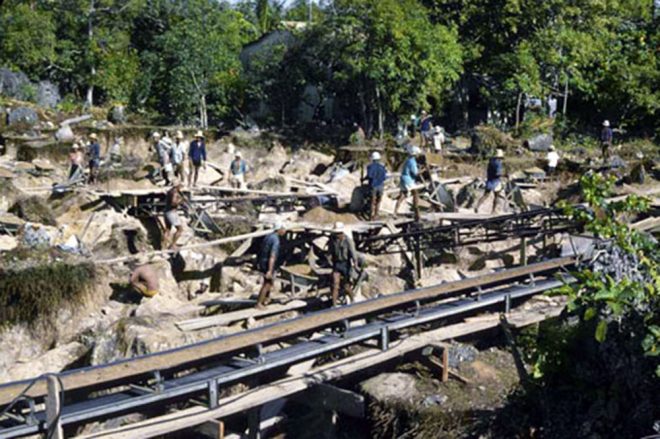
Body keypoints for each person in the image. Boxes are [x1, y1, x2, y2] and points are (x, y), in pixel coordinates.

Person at [256, 222, 286, 309]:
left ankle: (266, 299)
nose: (284, 231)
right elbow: (272, 256)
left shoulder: (268, 236)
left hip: (262, 261)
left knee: (270, 282)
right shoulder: (276, 240)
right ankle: (258, 304)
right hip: (267, 263)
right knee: (267, 284)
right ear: (279, 229)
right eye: (283, 229)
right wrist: (269, 270)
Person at [329, 222, 358, 307]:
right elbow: (330, 252)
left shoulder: (348, 241)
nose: (337, 235)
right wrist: (330, 260)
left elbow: (353, 253)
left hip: (345, 264)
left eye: (338, 233)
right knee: (335, 285)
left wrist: (355, 265)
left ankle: (353, 299)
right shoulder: (333, 240)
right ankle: (334, 305)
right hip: (337, 264)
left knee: (346, 286)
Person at [474, 149, 506, 214]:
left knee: (486, 195)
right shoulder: (498, 163)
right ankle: (493, 211)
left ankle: (477, 206)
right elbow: (497, 173)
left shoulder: (491, 162)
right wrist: (504, 175)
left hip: (490, 180)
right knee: (496, 196)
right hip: (496, 181)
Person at [394, 146, 421, 218]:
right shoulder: (412, 161)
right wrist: (424, 169)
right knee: (415, 194)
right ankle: (417, 212)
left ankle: (395, 211)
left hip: (403, 179)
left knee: (403, 195)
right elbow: (415, 173)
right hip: (408, 180)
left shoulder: (408, 160)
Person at [363, 151, 387, 220]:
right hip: (381, 186)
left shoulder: (370, 167)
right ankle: (376, 215)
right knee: (378, 201)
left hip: (373, 186)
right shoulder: (382, 167)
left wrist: (363, 179)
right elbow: (384, 177)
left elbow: (369, 176)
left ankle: (370, 216)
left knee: (372, 201)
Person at [163, 178, 184, 249]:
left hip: (166, 211)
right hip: (172, 212)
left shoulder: (170, 191)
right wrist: (181, 201)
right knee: (180, 229)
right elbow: (173, 203)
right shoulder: (175, 193)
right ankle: (173, 244)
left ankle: (163, 247)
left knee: (167, 230)